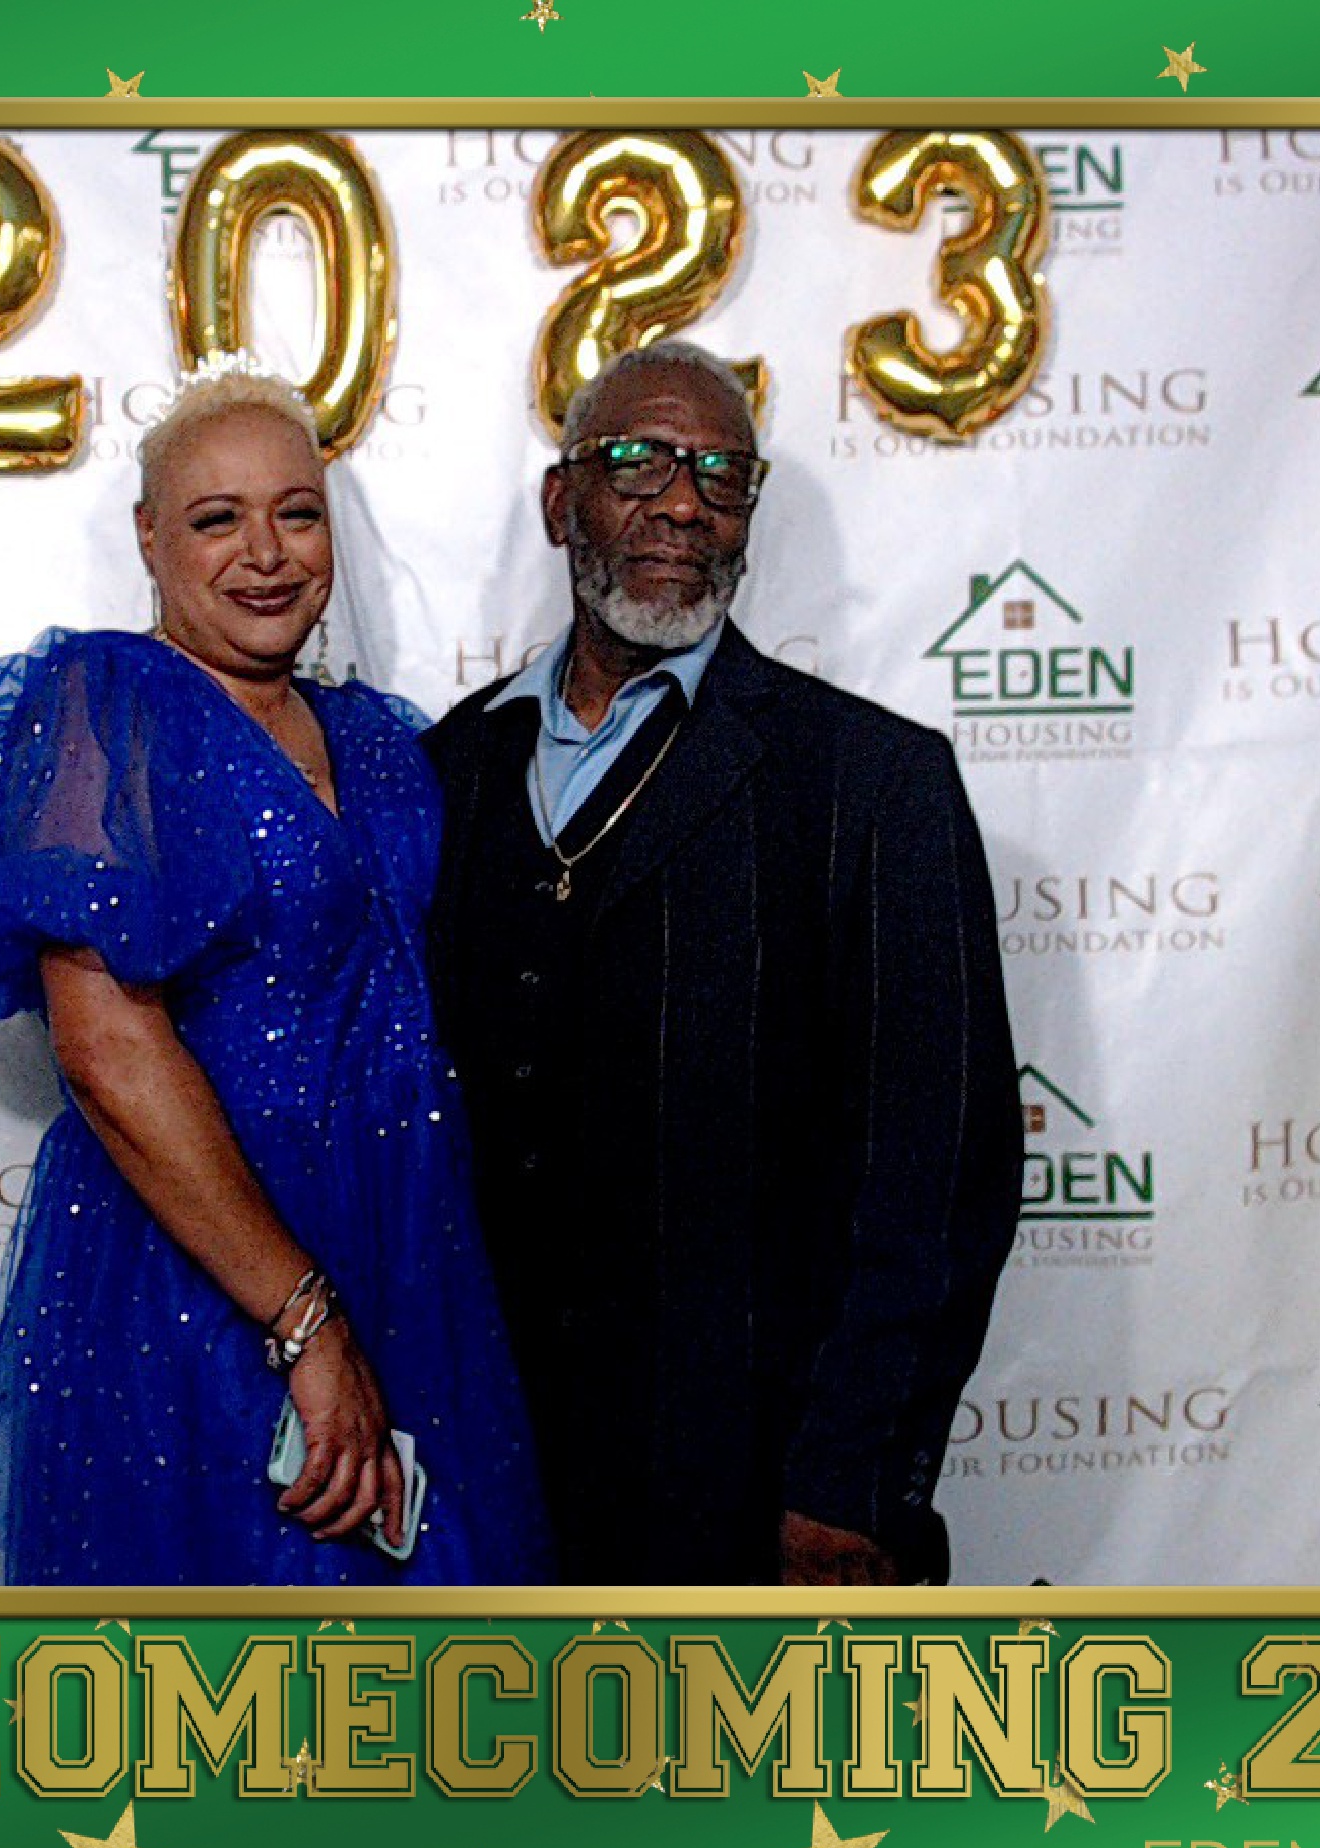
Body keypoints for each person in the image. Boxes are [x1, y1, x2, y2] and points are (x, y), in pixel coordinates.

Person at [0, 360, 551, 1586]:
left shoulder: (385, 740)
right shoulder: (108, 709)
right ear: (149, 537)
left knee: (428, 1667)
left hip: (410, 1254)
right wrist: (304, 1320)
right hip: (203, 1280)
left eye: (297, 513)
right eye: (217, 518)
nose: (266, 554)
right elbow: (105, 1047)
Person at [422, 340, 1022, 1587]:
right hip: (477, 1482)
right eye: (638, 462)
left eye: (721, 474)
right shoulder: (447, 769)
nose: (685, 504)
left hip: (752, 1507)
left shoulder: (871, 784)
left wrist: (849, 1483)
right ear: (561, 501)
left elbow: (938, 1175)